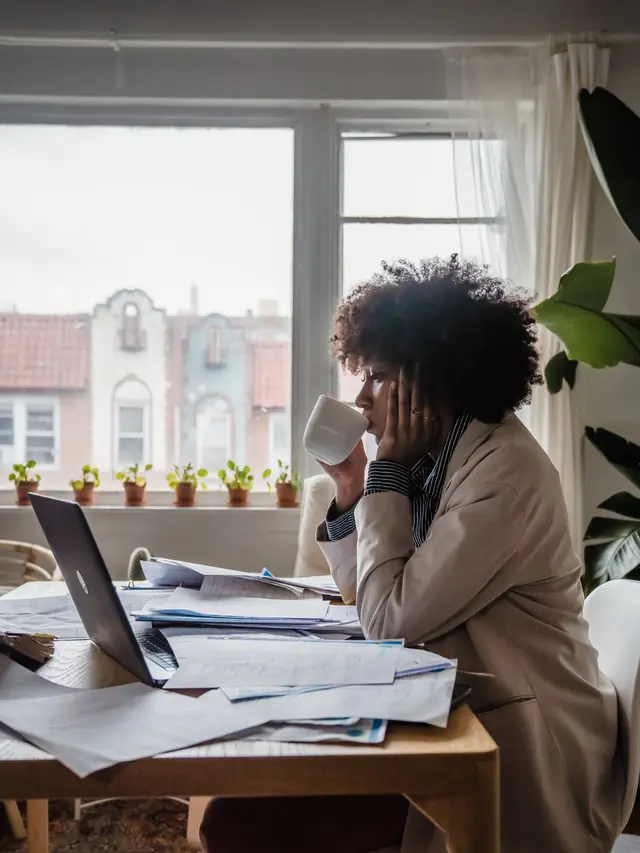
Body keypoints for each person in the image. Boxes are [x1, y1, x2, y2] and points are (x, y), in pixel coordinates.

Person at [200, 255, 623, 853]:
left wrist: (386, 475)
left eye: (375, 375)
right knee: (243, 805)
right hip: (451, 706)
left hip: (520, 739)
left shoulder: (503, 478)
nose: (361, 398)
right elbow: (371, 595)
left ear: (432, 378)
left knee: (240, 825)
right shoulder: (439, 456)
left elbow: (389, 621)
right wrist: (354, 487)